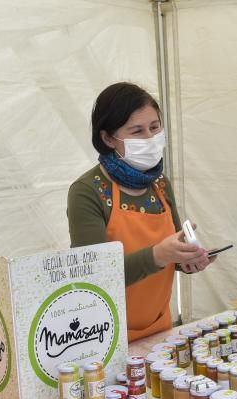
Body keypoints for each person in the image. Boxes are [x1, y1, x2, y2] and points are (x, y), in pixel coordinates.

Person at [68, 82, 214, 342]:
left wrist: (188, 259)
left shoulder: (159, 184)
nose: (150, 138)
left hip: (159, 329)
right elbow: (94, 276)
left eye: (155, 127)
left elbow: (172, 255)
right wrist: (158, 255)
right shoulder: (88, 191)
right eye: (137, 131)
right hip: (103, 337)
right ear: (108, 138)